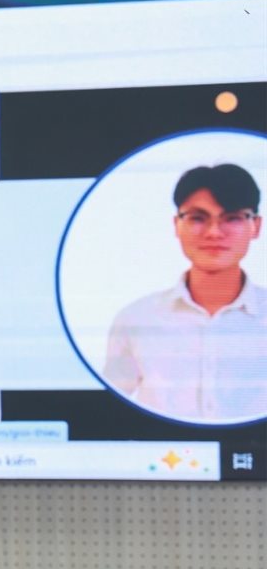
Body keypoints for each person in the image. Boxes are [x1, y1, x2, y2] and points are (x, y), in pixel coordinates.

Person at [103, 162, 266, 422]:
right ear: (177, 225)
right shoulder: (136, 319)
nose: (214, 232)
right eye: (198, 218)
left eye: (233, 218)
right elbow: (107, 412)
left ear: (255, 226)